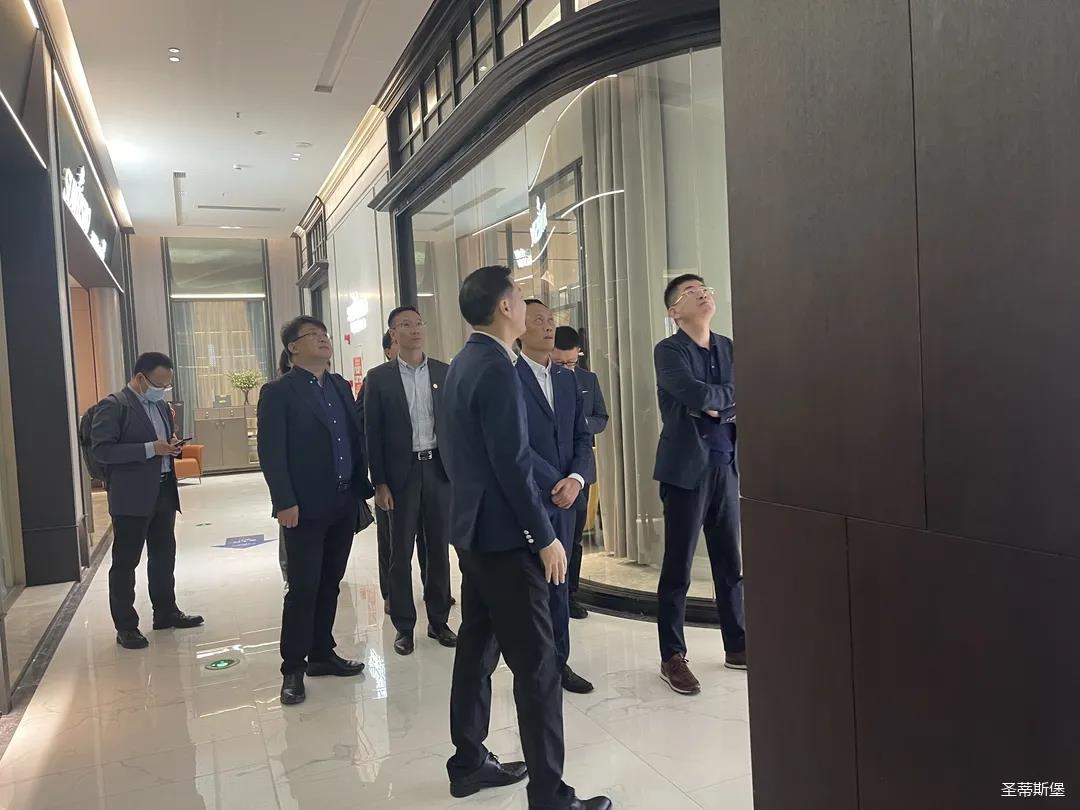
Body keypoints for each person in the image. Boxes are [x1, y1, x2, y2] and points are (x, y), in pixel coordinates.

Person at [443, 265, 610, 810]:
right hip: (507, 539)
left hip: (475, 532)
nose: (527, 306)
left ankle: (469, 762)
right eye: (519, 297)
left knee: (477, 646)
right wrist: (543, 536)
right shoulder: (497, 367)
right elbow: (511, 463)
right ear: (504, 308)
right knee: (537, 667)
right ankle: (550, 795)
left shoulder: (466, 361)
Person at [258, 316, 375, 706]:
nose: (324, 339)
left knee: (330, 582)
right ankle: (293, 667)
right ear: (293, 347)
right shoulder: (279, 392)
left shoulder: (339, 385)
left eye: (325, 334)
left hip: (342, 501)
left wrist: (361, 488)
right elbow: (271, 452)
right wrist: (284, 501)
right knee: (303, 587)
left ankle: (322, 654)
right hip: (304, 506)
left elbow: (354, 438)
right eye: (314, 335)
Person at [654, 274, 747, 696]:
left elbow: (733, 395)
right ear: (675, 311)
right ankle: (672, 656)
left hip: (726, 467)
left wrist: (716, 406)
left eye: (705, 288)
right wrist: (720, 402)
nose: (704, 293)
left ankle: (738, 645)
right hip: (684, 472)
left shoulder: (729, 347)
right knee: (678, 567)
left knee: (731, 565)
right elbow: (696, 395)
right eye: (692, 291)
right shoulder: (669, 351)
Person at [90, 352, 204, 650]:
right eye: (158, 384)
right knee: (126, 562)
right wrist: (150, 449)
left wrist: (172, 446)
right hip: (131, 497)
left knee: (164, 555)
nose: (162, 390)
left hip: (163, 490)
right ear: (140, 378)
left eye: (167, 385)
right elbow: (102, 451)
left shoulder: (162, 407)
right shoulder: (114, 406)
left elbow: (164, 442)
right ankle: (126, 626)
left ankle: (166, 612)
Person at [363, 307, 455, 656]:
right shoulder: (379, 378)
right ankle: (404, 626)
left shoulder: (443, 372)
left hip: (438, 470)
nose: (415, 329)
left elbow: (455, 424)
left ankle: (439, 621)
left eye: (418, 323)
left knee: (438, 550)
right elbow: (372, 433)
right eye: (406, 324)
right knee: (400, 553)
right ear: (393, 334)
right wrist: (380, 483)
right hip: (400, 476)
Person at [518, 303, 595, 694]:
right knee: (530, 590)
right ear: (518, 328)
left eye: (550, 320)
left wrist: (577, 479)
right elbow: (513, 445)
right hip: (529, 499)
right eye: (538, 321)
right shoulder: (508, 377)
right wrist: (558, 482)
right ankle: (533, 670)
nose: (548, 327)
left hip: (567, 499)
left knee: (559, 587)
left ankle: (559, 664)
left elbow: (583, 435)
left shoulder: (567, 380)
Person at [551, 325, 608, 620]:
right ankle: (549, 595)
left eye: (571, 363)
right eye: (560, 363)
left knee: (574, 538)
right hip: (550, 471)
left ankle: (570, 594)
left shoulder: (588, 379)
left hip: (581, 469)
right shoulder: (541, 380)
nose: (566, 368)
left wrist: (580, 425)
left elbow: (601, 417)